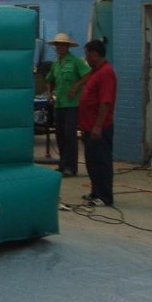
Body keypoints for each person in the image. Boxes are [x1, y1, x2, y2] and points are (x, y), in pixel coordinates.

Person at [78, 39, 117, 206]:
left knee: (101, 162)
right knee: (92, 162)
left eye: (87, 55)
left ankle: (105, 196)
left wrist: (98, 126)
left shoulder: (106, 73)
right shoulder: (95, 72)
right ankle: (96, 192)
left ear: (94, 54)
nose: (86, 58)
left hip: (99, 128)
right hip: (89, 127)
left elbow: (105, 102)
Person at [45, 33, 90, 177]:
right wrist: (49, 94)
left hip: (72, 104)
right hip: (59, 104)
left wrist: (76, 86)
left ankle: (71, 167)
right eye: (57, 45)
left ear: (67, 46)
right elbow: (49, 80)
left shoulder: (75, 61)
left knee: (69, 135)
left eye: (62, 44)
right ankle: (62, 164)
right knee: (60, 135)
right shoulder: (56, 64)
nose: (59, 47)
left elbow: (87, 75)